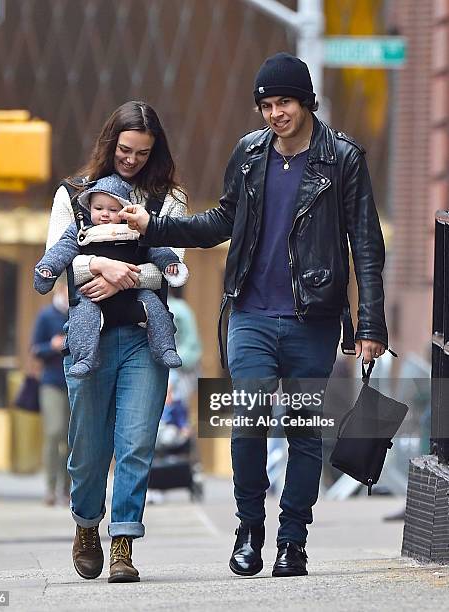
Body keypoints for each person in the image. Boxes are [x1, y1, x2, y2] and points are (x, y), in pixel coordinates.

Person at [120, 52, 389, 578]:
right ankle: (249, 528)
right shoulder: (248, 154)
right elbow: (222, 219)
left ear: (305, 101)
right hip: (249, 313)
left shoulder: (343, 159)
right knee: (247, 423)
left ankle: (293, 539)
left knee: (303, 429)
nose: (274, 114)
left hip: (314, 316)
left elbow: (367, 245)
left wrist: (372, 323)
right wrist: (155, 227)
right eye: (266, 105)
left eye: (283, 102)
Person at [46, 101, 187, 583]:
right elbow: (61, 260)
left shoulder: (170, 199)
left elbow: (172, 271)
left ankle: (124, 542)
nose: (132, 160)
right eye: (125, 150)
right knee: (88, 446)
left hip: (144, 338)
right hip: (92, 337)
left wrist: (120, 275)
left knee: (135, 443)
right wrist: (99, 266)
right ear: (111, 144)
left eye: (143, 153)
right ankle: (87, 525)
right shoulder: (74, 193)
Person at [35, 173, 188, 376]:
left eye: (113, 209)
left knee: (157, 310)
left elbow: (156, 250)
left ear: (124, 211)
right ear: (89, 208)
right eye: (99, 208)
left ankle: (165, 348)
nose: (105, 214)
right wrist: (48, 269)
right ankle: (85, 358)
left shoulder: (134, 230)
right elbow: (61, 251)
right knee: (82, 317)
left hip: (135, 294)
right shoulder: (81, 231)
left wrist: (169, 264)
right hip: (93, 293)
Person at [30, 281, 70, 506]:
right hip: (52, 382)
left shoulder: (79, 313)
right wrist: (52, 346)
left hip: (76, 382)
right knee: (54, 432)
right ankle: (50, 487)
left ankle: (66, 488)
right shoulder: (46, 316)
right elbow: (35, 348)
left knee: (71, 438)